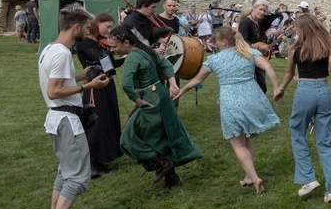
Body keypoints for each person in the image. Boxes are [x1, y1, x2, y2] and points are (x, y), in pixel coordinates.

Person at [37, 5, 111, 209]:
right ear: (76, 27)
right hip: (66, 120)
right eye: (87, 28)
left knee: (64, 174)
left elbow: (57, 81)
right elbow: (54, 90)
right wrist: (87, 87)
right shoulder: (61, 54)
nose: (88, 32)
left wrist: (82, 76)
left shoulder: (50, 49)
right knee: (78, 176)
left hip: (57, 119)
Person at [178, 27, 280, 194]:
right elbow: (268, 68)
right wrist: (276, 88)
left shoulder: (214, 60)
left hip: (231, 101)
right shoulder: (249, 53)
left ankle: (255, 178)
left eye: (216, 41)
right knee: (246, 139)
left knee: (238, 144)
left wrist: (183, 91)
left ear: (223, 41)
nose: (214, 44)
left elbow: (197, 79)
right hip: (252, 97)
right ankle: (248, 177)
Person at [106, 26, 203, 188]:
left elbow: (126, 84)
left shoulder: (132, 58)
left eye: (114, 46)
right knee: (161, 137)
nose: (112, 50)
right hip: (161, 94)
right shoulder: (145, 50)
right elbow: (165, 65)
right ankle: (172, 178)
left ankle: (162, 164)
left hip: (150, 99)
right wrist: (171, 84)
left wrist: (137, 100)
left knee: (127, 139)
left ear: (126, 42)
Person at [275, 14, 331, 203]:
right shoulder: (326, 46)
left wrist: (281, 89)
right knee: (326, 140)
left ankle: (308, 178)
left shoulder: (295, 49)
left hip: (305, 90)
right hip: (324, 91)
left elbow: (289, 73)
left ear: (301, 28)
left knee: (297, 131)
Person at [76, 12, 124, 177]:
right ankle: (89, 162)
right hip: (94, 86)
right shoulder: (84, 43)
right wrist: (110, 48)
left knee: (107, 121)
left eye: (111, 27)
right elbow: (99, 57)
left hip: (106, 84)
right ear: (97, 24)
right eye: (107, 27)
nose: (109, 30)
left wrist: (130, 54)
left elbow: (111, 64)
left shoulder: (100, 43)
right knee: (96, 123)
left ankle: (100, 159)